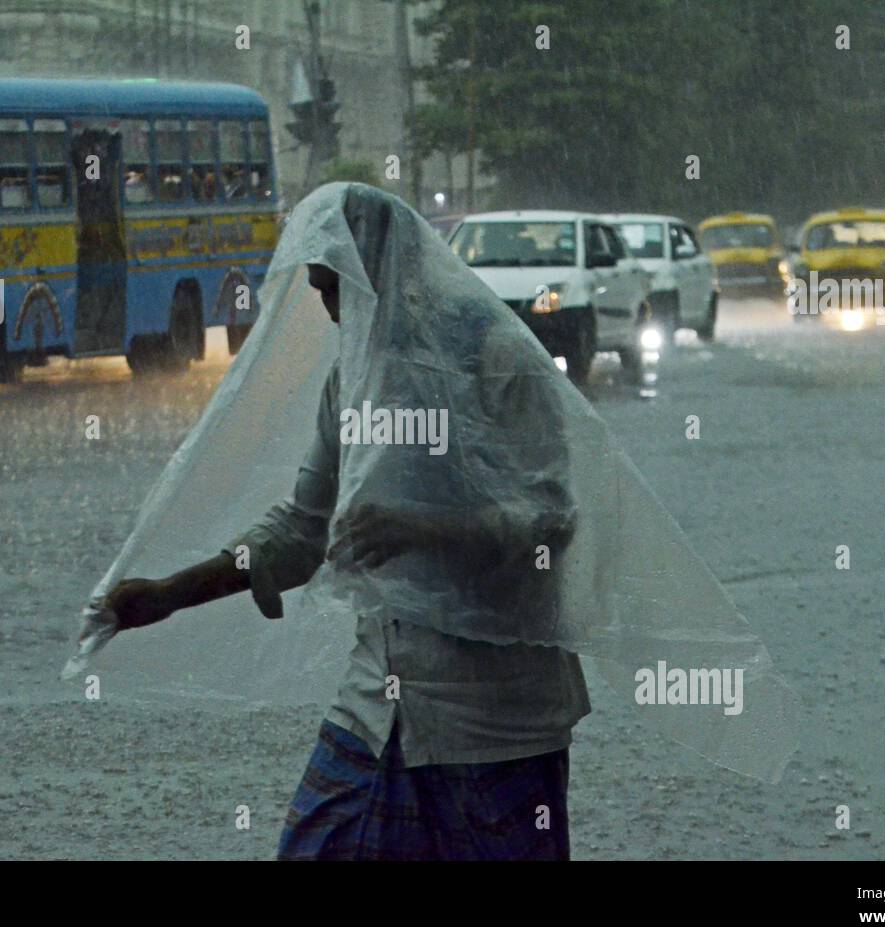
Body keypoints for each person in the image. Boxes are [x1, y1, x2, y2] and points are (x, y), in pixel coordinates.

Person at [103, 186, 590, 861]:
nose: (332, 314)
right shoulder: (352, 383)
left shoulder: (499, 364)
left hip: (495, 722)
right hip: (377, 707)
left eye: (339, 293)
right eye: (321, 294)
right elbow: (305, 527)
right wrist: (170, 593)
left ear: (390, 277)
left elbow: (548, 521)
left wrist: (423, 529)